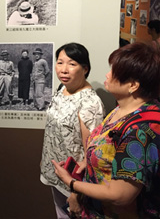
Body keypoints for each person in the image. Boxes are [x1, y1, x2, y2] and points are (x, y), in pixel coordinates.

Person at [52, 42, 160, 218]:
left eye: (114, 72)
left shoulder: (140, 130)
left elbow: (120, 195)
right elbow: (109, 151)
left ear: (133, 85)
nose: (107, 75)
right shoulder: (121, 110)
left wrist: (71, 183)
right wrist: (90, 162)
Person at [40, 43, 105, 219]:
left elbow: (91, 155)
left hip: (74, 182)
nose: (64, 70)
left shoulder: (90, 103)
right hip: (56, 174)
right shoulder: (63, 89)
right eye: (60, 63)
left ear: (85, 68)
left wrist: (77, 192)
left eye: (72, 64)